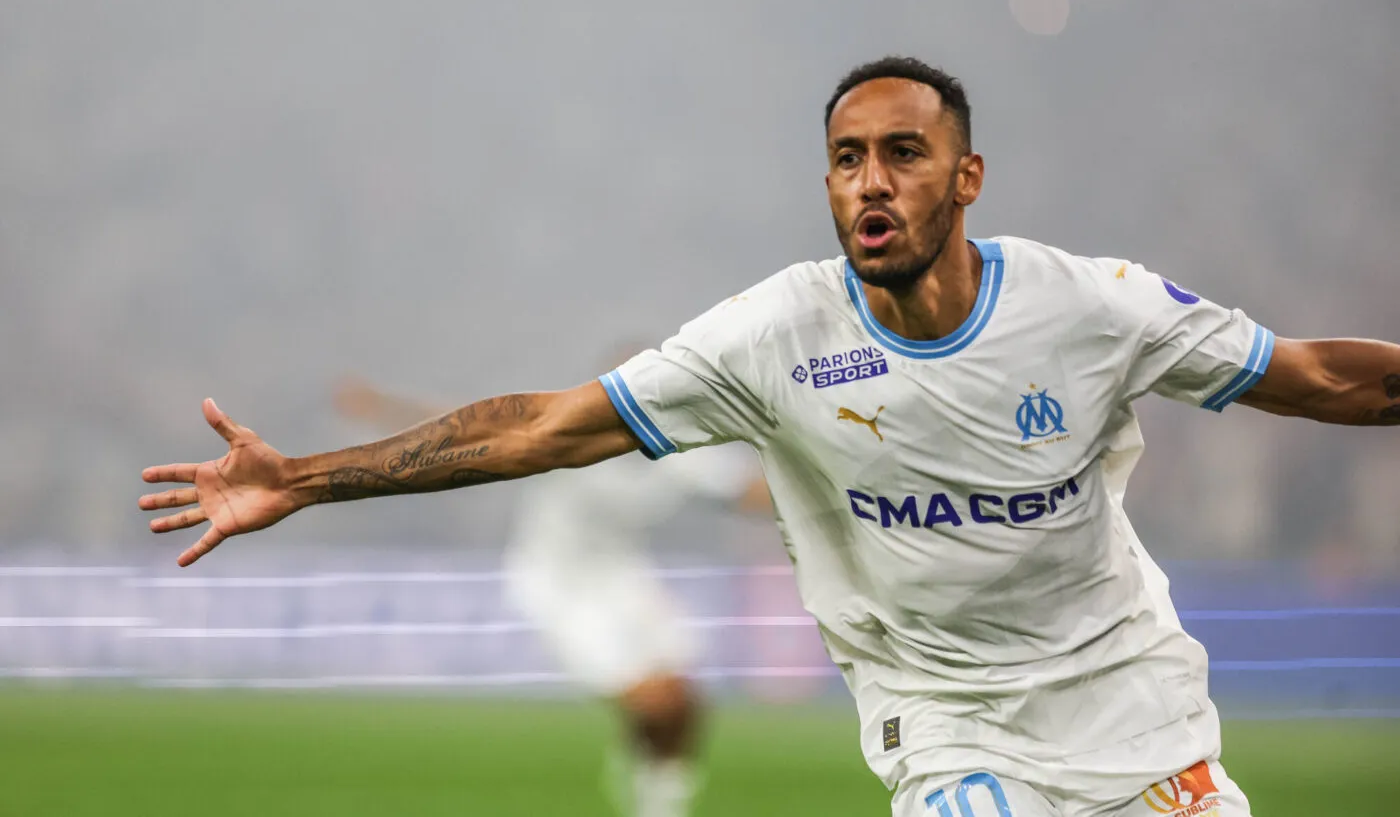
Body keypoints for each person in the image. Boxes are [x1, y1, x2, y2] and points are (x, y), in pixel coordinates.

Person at [140, 56, 1400, 817]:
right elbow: (546, 427)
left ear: (965, 178)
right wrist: (300, 478)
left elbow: (1313, 377)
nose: (870, 181)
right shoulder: (772, 336)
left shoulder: (1090, 307)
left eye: (902, 154)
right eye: (845, 159)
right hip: (947, 726)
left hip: (1136, 708)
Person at [330, 372, 769, 817]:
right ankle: (646, 773)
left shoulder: (680, 449)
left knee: (684, 702)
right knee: (653, 701)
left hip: (622, 576)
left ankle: (659, 801)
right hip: (558, 582)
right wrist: (384, 407)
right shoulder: (570, 428)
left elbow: (751, 490)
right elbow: (472, 428)